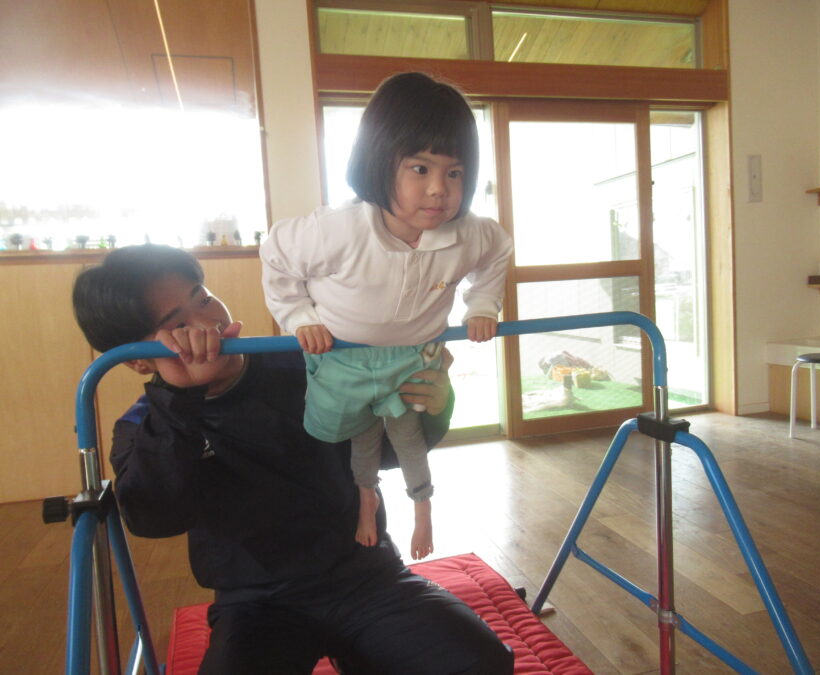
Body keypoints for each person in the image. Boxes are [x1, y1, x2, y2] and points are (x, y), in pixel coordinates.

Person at [72, 244, 514, 675]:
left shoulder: (308, 365)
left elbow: (382, 454)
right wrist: (179, 400)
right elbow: (155, 518)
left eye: (202, 298)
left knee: (482, 664)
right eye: (180, 325)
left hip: (367, 575)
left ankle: (363, 654)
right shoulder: (147, 424)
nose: (209, 321)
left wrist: (428, 408)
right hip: (256, 602)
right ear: (139, 362)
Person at [260, 72, 513, 560]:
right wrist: (298, 316)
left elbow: (499, 249)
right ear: (378, 162)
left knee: (409, 438)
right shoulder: (337, 230)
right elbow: (276, 254)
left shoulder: (469, 233)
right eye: (420, 168)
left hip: (413, 357)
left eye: (454, 173)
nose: (438, 189)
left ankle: (422, 507)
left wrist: (482, 305)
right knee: (349, 436)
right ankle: (366, 499)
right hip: (343, 358)